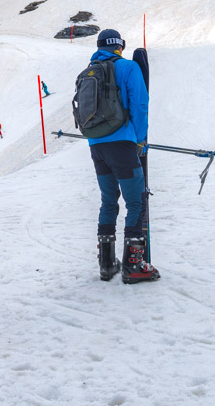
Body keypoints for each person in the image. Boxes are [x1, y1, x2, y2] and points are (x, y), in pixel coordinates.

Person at [85, 28, 159, 284]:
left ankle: (106, 264)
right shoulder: (128, 68)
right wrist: (141, 140)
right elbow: (139, 105)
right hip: (123, 144)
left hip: (96, 145)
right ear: (120, 46)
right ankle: (133, 265)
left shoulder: (89, 71)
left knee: (109, 201)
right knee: (136, 201)